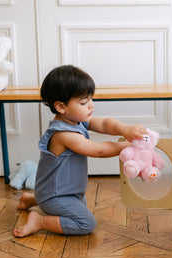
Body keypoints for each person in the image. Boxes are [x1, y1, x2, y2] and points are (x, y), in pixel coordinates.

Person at [13, 65, 147, 237]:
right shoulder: (63, 134)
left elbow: (105, 124)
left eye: (91, 99)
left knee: (79, 204)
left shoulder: (77, 120)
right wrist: (125, 146)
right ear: (61, 107)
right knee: (86, 223)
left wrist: (125, 129)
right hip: (56, 196)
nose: (91, 105)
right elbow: (97, 150)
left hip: (64, 192)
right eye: (83, 102)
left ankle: (33, 198)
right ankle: (40, 221)